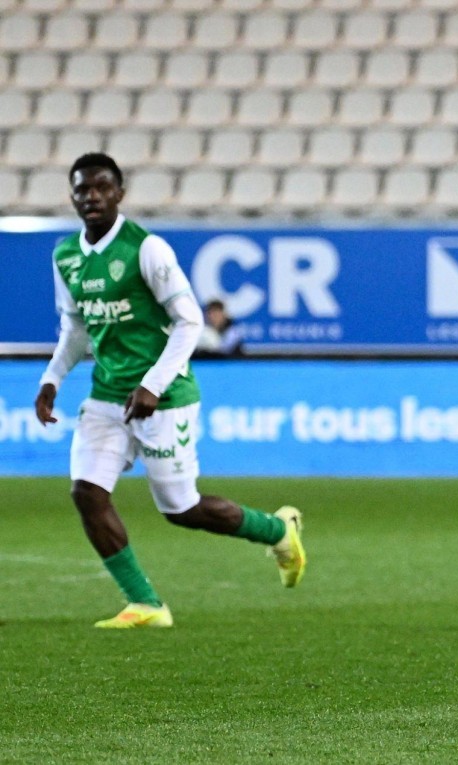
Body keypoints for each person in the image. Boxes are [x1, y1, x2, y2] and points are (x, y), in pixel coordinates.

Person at [33, 153, 306, 629]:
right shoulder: (66, 256)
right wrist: (52, 378)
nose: (91, 196)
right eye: (82, 189)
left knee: (182, 509)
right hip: (106, 396)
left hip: (165, 397)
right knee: (87, 493)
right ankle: (146, 604)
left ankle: (278, 531)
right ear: (72, 196)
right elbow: (75, 326)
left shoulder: (146, 249)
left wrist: (152, 384)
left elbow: (190, 321)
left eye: (101, 187)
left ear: (119, 193)